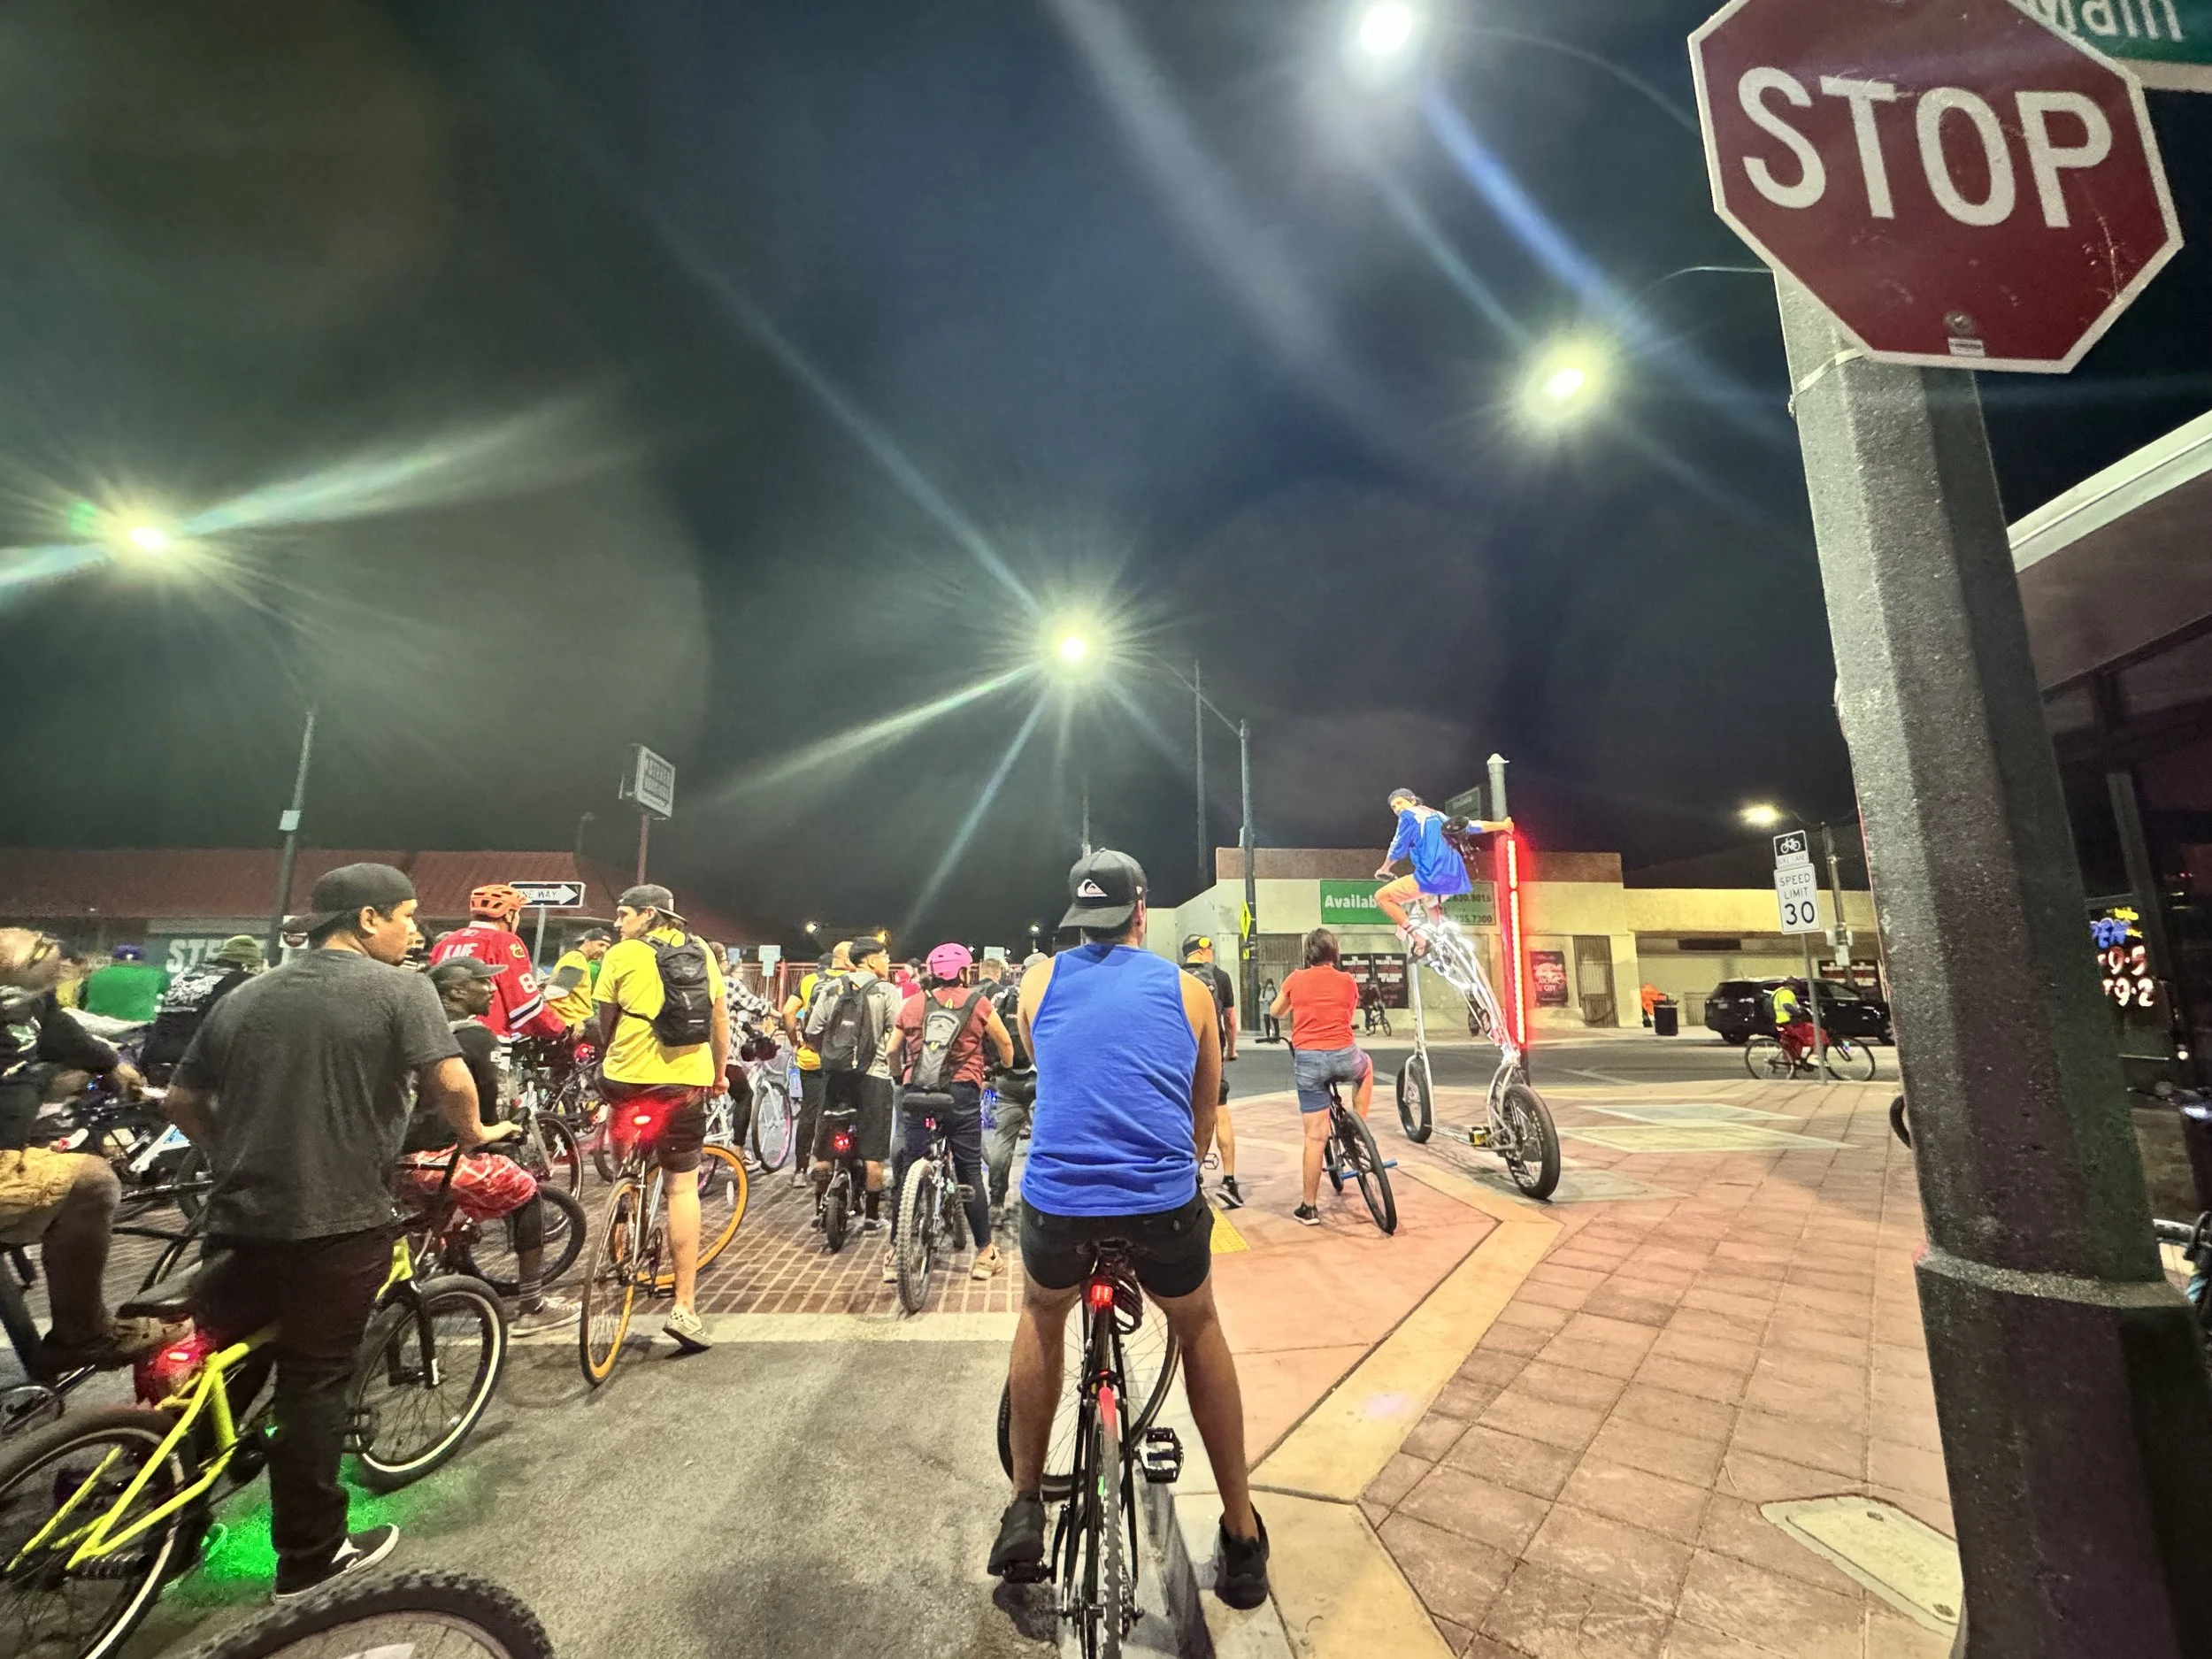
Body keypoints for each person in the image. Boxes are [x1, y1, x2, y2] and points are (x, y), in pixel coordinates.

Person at [162, 863, 495, 1599]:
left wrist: (226, 1153)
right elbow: (450, 1079)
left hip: (238, 1215)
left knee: (227, 1369)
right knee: (313, 1380)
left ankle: (171, 1533)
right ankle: (311, 1553)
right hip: (337, 1219)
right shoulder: (401, 989)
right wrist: (476, 1133)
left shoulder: (246, 993)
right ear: (368, 918)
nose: (414, 932)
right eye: (407, 916)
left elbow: (181, 1098)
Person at [988, 850, 1268, 1610]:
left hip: (1060, 1206)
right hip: (1160, 1207)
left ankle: (1024, 1504)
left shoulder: (1038, 981)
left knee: (1043, 1311)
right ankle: (1242, 1535)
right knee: (1197, 1324)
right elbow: (1202, 1114)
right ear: (1140, 910)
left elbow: (1054, 1064)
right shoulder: (1192, 991)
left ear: (1079, 916)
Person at [0, 927, 167, 1371]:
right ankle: (83, 1334)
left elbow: (61, 1032)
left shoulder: (33, 1005)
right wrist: (45, 1081)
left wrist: (111, 1064)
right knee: (92, 1183)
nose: (57, 981)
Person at [400, 957, 575, 1334]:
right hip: (441, 1158)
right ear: (455, 992)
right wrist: (503, 1132)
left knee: (424, 1216)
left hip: (394, 1159)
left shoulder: (411, 1029)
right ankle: (532, 1304)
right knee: (525, 1193)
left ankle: (435, 1279)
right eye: (482, 983)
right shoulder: (477, 1038)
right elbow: (491, 1109)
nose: (492, 990)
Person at [593, 883, 730, 1353]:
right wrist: (718, 1075)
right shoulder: (702, 952)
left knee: (619, 1115)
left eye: (624, 914)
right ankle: (684, 1307)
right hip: (684, 1082)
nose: (618, 923)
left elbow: (605, 1020)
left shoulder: (621, 955)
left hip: (627, 1078)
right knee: (681, 1188)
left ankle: (624, 1190)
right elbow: (719, 1020)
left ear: (649, 914)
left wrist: (612, 1053)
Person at [887, 942, 1013, 1284]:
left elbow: (892, 1050)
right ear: (963, 971)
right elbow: (1005, 1044)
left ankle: (895, 1253)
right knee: (969, 1169)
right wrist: (1002, 1066)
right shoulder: (978, 1003)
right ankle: (985, 1254)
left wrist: (900, 1078)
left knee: (909, 1167)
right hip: (961, 1094)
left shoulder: (914, 1003)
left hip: (917, 1092)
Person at [1271, 928, 1374, 1225]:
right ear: (1334, 953)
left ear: (1308, 954)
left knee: (1315, 1137)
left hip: (1309, 1060)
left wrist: (1294, 1004)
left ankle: (1309, 1207)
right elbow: (1348, 1013)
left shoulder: (1295, 979)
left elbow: (1276, 1011)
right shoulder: (1347, 981)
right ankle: (1358, 1126)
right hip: (1344, 1054)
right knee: (1366, 1068)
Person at [806, 937, 902, 1232]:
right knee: (873, 1154)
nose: (887, 962)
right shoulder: (886, 991)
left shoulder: (831, 988)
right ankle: (872, 1217)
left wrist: (830, 1055)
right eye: (884, 957)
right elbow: (895, 1036)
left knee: (824, 1151)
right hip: (874, 1078)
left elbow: (813, 1029)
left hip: (835, 1077)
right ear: (871, 960)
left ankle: (819, 1210)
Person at [427, 884, 569, 1045]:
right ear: (509, 914)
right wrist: (557, 1029)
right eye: (517, 913)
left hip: (440, 1034)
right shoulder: (504, 941)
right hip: (486, 1037)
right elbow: (522, 999)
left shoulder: (446, 942)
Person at [1372, 788, 1510, 949]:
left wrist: (1384, 869)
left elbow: (1398, 846)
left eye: (1399, 803)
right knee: (1429, 902)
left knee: (1382, 897)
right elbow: (1471, 826)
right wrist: (1503, 825)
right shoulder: (1439, 815)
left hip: (1431, 877)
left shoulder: (1408, 815)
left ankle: (1418, 938)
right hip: (1455, 877)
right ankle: (1442, 941)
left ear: (1412, 800)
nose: (1397, 808)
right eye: (1394, 807)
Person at [139, 935, 265, 1080]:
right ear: (247, 965)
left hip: (153, 1058)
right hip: (195, 1067)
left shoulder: (187, 974)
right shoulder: (242, 981)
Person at [1179, 934, 1244, 1210]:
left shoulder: (1175, 975)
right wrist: (1231, 1050)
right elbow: (1230, 1019)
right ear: (1203, 951)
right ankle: (1229, 1181)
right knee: (1221, 1115)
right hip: (1211, 1053)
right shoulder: (1220, 977)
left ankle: (1190, 1175)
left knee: (1183, 1115)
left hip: (1182, 1055)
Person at [785, 941, 850, 1189]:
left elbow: (788, 1012)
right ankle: (837, 1166)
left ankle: (800, 1170)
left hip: (811, 1057)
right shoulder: (854, 981)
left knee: (809, 1114)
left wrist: (795, 1042)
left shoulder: (809, 981)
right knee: (842, 1113)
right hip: (842, 1060)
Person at [982, 952, 1039, 1224]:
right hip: (1042, 1081)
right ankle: (1041, 1203)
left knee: (1002, 1142)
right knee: (1047, 1141)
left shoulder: (1004, 998)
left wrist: (994, 1067)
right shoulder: (1053, 995)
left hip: (1007, 1080)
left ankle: (995, 1204)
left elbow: (991, 1036)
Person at [80, 942, 170, 1023]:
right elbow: (169, 995)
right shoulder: (156, 975)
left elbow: (81, 1001)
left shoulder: (95, 975)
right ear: (140, 961)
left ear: (114, 959)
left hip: (97, 1025)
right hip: (138, 1026)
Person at [543, 929, 612, 1029]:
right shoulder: (576, 959)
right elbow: (555, 994)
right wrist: (574, 1020)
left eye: (607, 947)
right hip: (576, 1024)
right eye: (600, 945)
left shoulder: (581, 961)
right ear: (587, 942)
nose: (603, 950)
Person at [1771, 980, 1814, 1067]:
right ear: (1791, 986)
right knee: (1816, 1035)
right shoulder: (1787, 993)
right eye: (1797, 987)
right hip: (1789, 1022)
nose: (1797, 990)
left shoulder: (1778, 993)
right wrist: (1799, 1013)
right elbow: (1787, 1006)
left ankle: (1793, 1064)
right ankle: (1813, 1058)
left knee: (1791, 1043)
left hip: (1782, 1021)